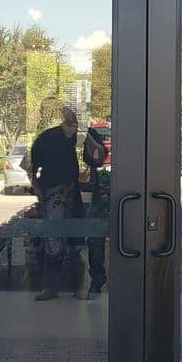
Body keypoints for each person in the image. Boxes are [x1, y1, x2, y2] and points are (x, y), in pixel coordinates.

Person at [28, 105, 81, 301]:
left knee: (67, 240)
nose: (75, 128)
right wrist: (40, 189)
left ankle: (72, 287)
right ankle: (54, 287)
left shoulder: (61, 139)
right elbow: (34, 168)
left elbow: (34, 169)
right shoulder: (47, 140)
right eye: (71, 124)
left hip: (65, 192)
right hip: (55, 193)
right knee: (54, 240)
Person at [82, 123, 111, 297]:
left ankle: (98, 280)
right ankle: (94, 281)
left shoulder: (89, 134)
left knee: (96, 242)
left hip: (96, 196)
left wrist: (86, 136)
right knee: (92, 243)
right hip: (95, 200)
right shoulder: (53, 136)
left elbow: (97, 156)